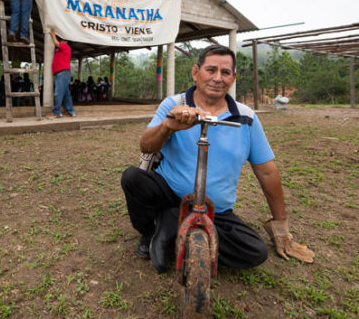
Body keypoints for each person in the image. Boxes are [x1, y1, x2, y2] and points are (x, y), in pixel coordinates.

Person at [121, 44, 314, 273]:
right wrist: (168, 127)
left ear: (233, 78)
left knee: (255, 251)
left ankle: (176, 229)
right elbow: (146, 145)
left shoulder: (246, 118)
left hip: (215, 212)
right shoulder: (174, 104)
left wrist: (281, 227)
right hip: (169, 196)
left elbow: (267, 171)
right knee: (133, 178)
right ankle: (153, 231)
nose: (217, 78)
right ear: (196, 72)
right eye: (210, 70)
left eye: (225, 73)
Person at [47, 29, 76, 119]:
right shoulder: (62, 49)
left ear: (66, 42)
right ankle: (70, 111)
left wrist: (53, 34)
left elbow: (56, 43)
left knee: (58, 93)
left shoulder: (65, 46)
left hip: (63, 73)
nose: (61, 41)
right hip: (63, 73)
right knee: (66, 94)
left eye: (63, 40)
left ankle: (56, 112)